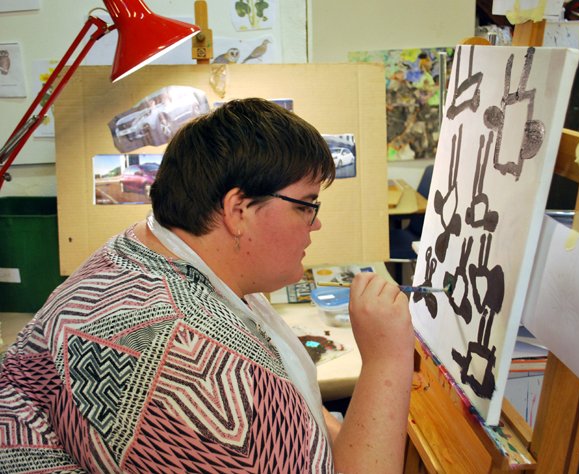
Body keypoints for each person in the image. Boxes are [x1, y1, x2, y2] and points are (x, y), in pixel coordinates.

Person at [0, 98, 414, 473]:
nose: (316, 223)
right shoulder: (206, 378)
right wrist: (386, 358)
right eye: (306, 205)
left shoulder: (138, 249)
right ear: (238, 210)